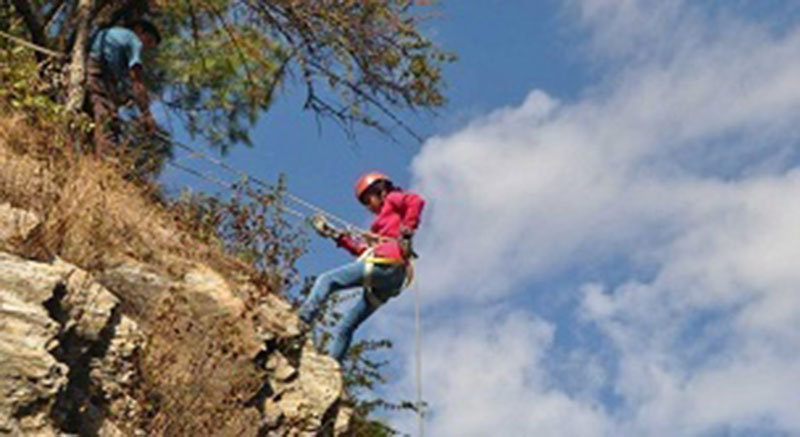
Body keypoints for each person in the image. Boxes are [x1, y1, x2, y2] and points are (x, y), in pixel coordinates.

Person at [299, 172, 425, 363]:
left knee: (327, 280)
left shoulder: (392, 198)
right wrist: (337, 236)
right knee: (346, 326)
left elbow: (416, 201)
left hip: (388, 263)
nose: (369, 206)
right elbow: (363, 251)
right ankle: (333, 368)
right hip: (390, 280)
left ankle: (302, 321)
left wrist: (408, 229)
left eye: (368, 199)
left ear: (380, 191)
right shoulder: (380, 229)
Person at [86, 19, 161, 155]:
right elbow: (136, 81)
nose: (144, 48)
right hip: (99, 75)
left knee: (92, 119)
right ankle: (107, 160)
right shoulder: (133, 39)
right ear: (139, 29)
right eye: (148, 41)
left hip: (88, 71)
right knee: (108, 122)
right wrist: (146, 114)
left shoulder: (110, 33)